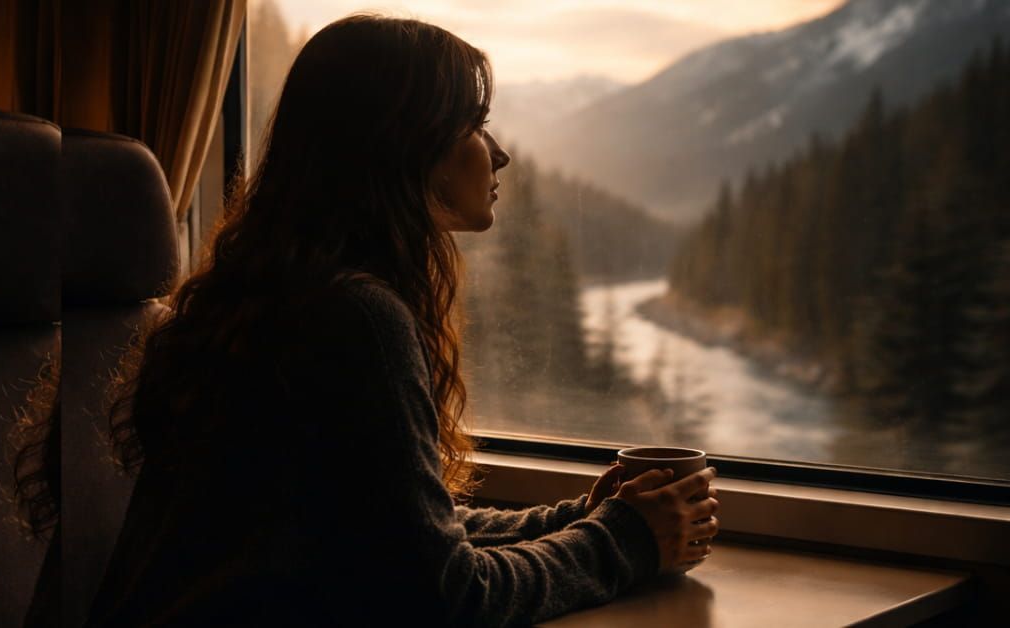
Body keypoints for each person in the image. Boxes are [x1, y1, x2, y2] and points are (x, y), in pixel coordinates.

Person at [88, 14, 720, 627]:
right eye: (474, 126)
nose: (497, 155)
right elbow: (445, 597)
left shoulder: (280, 297)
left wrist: (582, 517)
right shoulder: (356, 318)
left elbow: (400, 534)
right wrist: (624, 540)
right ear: (406, 145)